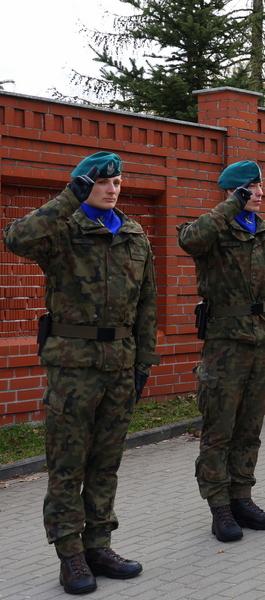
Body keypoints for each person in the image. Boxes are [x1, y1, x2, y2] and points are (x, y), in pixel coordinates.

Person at [3, 152, 158, 594]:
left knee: (106, 462)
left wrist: (143, 362)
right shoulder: (61, 230)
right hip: (73, 367)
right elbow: (15, 238)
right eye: (102, 181)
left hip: (120, 365)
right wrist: (68, 197)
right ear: (83, 185)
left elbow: (147, 304)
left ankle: (99, 545)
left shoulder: (133, 235)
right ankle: (69, 554)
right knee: (68, 464)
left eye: (117, 181)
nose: (112, 188)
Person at [177, 160, 265, 542]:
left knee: (249, 429)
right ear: (231, 192)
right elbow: (190, 241)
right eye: (249, 187)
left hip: (260, 342)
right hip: (225, 345)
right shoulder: (213, 229)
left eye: (259, 186)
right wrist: (229, 206)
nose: (259, 193)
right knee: (219, 429)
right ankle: (219, 506)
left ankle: (242, 497)